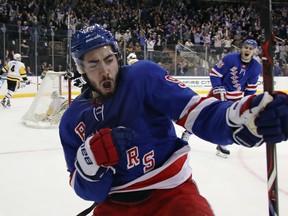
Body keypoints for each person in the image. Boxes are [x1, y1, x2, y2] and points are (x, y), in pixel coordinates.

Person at [59, 24, 288, 216]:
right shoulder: (71, 121)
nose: (105, 70)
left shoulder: (143, 77)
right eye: (93, 64)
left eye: (109, 59)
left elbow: (199, 113)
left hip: (171, 195)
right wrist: (89, 164)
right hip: (113, 207)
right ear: (82, 70)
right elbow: (87, 191)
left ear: (118, 58)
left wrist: (243, 117)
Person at [208, 39, 262, 158]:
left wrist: (248, 102)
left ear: (255, 51)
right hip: (219, 93)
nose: (247, 50)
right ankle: (188, 132)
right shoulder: (230, 58)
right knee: (205, 113)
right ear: (241, 48)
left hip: (235, 98)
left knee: (230, 122)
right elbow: (215, 73)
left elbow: (251, 87)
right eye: (246, 47)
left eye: (250, 48)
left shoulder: (256, 67)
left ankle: (222, 144)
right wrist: (217, 87)